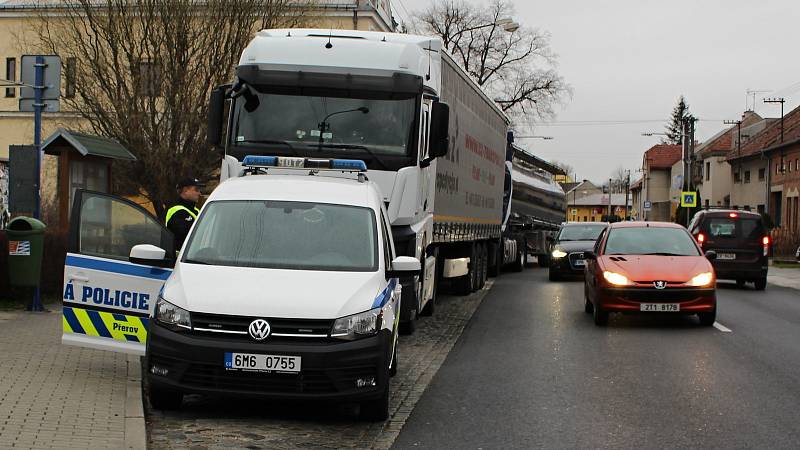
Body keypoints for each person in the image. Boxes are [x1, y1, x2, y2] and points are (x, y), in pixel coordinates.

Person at [166, 177, 204, 251]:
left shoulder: (196, 210)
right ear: (185, 190)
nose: (199, 193)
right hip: (179, 258)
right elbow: (187, 235)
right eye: (196, 190)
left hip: (195, 256)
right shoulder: (176, 211)